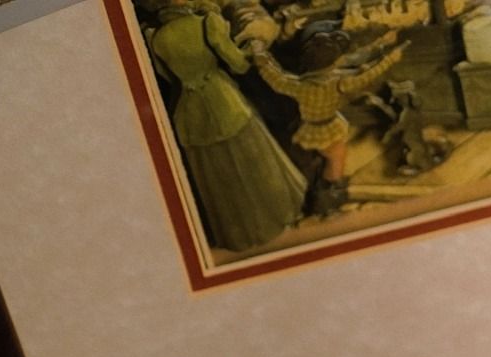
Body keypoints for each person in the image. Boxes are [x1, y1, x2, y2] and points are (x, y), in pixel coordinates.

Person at [143, 0, 306, 252]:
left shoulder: (154, 36)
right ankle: (276, 220)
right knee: (253, 162)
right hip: (223, 100)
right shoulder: (207, 22)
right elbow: (238, 64)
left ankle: (239, 237)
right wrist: (250, 47)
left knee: (219, 178)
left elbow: (167, 77)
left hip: (188, 111)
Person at [247, 25, 407, 213]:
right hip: (328, 130)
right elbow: (367, 75)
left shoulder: (299, 85)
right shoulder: (337, 84)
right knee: (336, 160)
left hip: (307, 129)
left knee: (317, 163)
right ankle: (328, 197)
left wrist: (261, 56)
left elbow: (274, 77)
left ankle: (320, 192)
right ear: (330, 64)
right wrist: (390, 60)